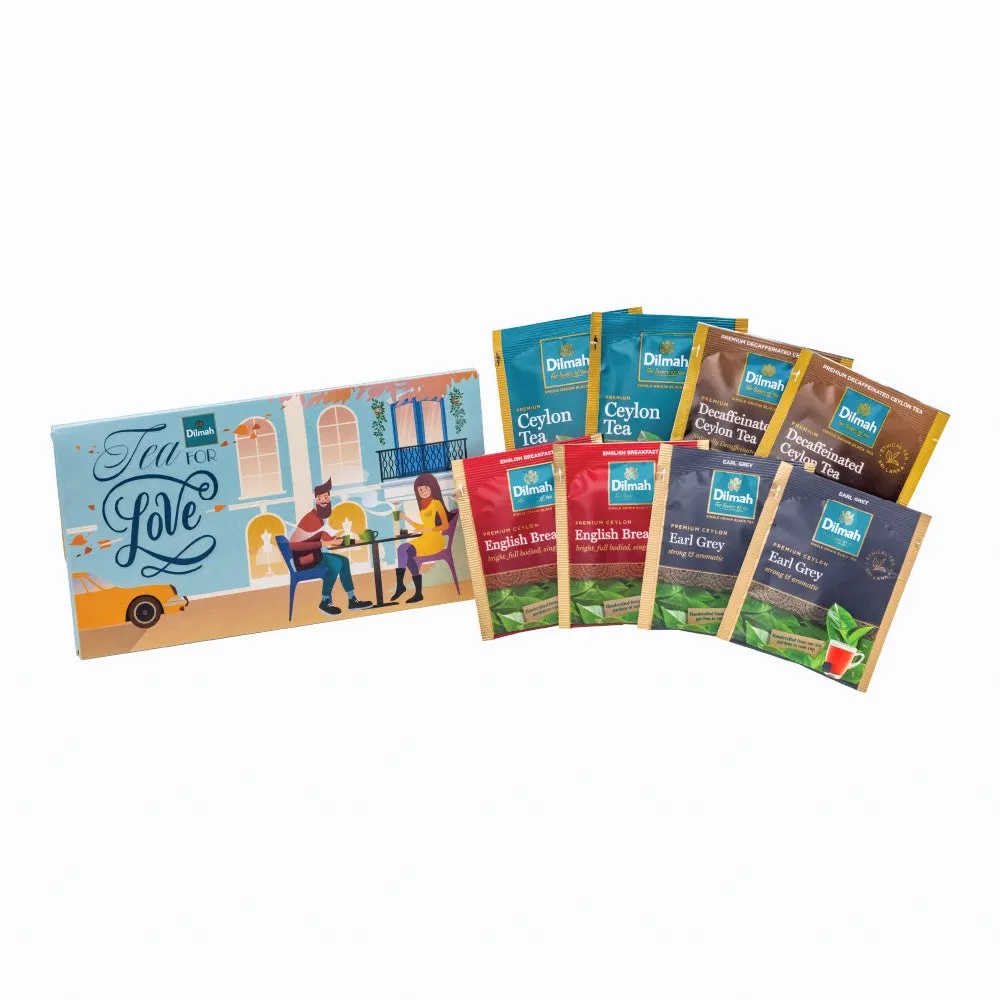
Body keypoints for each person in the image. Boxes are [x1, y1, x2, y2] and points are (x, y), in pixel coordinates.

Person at [290, 478, 373, 616]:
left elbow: (331, 540)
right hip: (304, 561)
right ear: (316, 500)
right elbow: (294, 545)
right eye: (320, 498)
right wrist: (322, 544)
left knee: (343, 561)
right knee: (335, 563)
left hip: (315, 556)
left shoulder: (319, 519)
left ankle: (352, 599)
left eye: (326, 497)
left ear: (329, 499)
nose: (323, 501)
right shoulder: (310, 518)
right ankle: (324, 602)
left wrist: (358, 540)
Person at [390, 472, 452, 604]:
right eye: (420, 489)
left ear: (432, 488)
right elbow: (424, 526)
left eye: (426, 488)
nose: (423, 491)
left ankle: (406, 588)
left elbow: (445, 525)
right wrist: (406, 519)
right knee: (403, 550)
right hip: (425, 538)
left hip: (435, 540)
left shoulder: (436, 503)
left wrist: (426, 530)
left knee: (405, 550)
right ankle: (410, 590)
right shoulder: (423, 504)